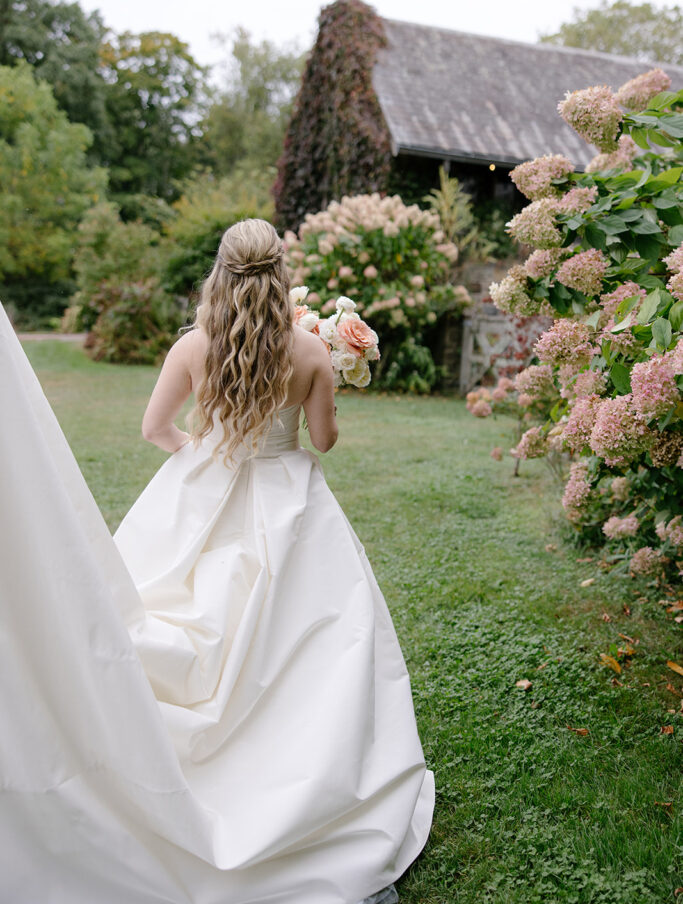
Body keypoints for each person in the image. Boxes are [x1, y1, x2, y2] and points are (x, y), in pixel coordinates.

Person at [0, 219, 433, 904]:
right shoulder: (312, 352)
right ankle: (292, 750)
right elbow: (321, 442)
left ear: (219, 273)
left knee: (165, 604)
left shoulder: (193, 347)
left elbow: (155, 430)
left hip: (201, 487)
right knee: (307, 631)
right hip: (290, 503)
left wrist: (204, 458)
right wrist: (322, 400)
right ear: (281, 273)